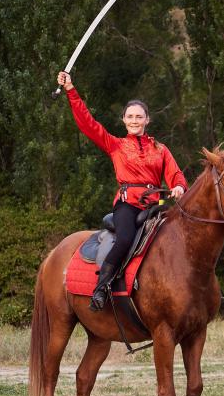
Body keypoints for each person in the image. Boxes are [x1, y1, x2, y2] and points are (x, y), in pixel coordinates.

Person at [57, 71, 188, 311]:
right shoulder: (116, 145)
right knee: (126, 238)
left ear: (147, 120)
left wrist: (179, 186)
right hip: (128, 205)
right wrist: (71, 90)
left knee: (180, 235)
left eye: (139, 116)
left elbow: (175, 174)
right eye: (130, 116)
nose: (135, 120)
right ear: (124, 120)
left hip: (155, 205)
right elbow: (87, 124)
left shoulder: (161, 149)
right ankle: (101, 288)